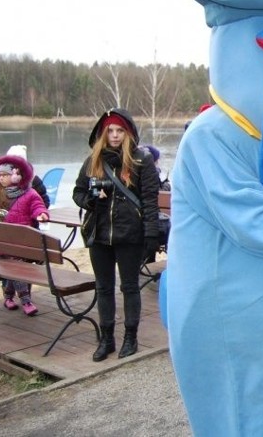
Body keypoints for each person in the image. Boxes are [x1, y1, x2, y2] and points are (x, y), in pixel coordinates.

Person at [73, 108, 160, 362]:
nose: (114, 135)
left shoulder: (141, 161)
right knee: (103, 288)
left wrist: (151, 235)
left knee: (130, 287)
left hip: (129, 234)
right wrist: (89, 200)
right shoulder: (93, 161)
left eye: (119, 130)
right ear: (102, 133)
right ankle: (107, 339)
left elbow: (150, 202)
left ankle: (130, 337)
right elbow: (77, 192)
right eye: (110, 131)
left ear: (128, 132)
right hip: (98, 233)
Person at [0, 154, 50, 315]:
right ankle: (24, 300)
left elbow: (38, 206)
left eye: (6, 175)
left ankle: (11, 298)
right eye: (0, 175)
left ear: (19, 175)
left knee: (16, 269)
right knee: (15, 270)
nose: (3, 178)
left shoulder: (30, 193)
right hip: (3, 242)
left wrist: (41, 214)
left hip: (22, 242)